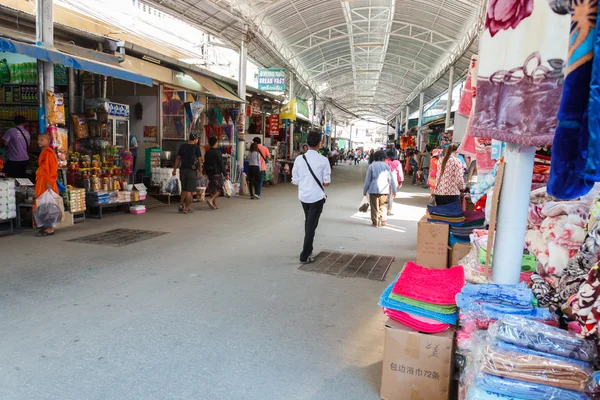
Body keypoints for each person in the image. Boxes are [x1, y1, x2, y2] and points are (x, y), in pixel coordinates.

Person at [292, 131, 331, 264]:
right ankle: (305, 254)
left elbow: (295, 180)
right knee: (311, 225)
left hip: (303, 196)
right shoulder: (324, 160)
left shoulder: (299, 159)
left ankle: (309, 250)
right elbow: (326, 182)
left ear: (307, 143)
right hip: (317, 197)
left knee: (308, 221)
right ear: (320, 143)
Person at [363, 150, 397, 227]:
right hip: (384, 190)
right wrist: (394, 191)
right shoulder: (387, 166)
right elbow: (391, 180)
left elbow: (368, 180)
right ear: (384, 158)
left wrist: (364, 190)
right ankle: (383, 220)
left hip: (373, 190)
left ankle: (375, 222)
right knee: (383, 205)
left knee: (374, 207)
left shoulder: (371, 166)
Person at [34, 133, 59, 237]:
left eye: (42, 139)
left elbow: (53, 168)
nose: (39, 141)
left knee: (48, 203)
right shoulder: (44, 152)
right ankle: (45, 225)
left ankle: (50, 228)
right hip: (42, 180)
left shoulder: (49, 152)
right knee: (42, 202)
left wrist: (50, 181)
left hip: (47, 181)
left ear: (48, 141)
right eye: (38, 139)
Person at [172, 132, 202, 214]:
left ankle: (181, 205)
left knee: (184, 189)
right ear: (195, 139)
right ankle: (186, 208)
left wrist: (175, 169)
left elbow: (178, 158)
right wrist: (200, 171)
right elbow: (200, 161)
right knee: (189, 191)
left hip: (182, 170)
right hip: (191, 171)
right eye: (197, 139)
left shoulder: (182, 146)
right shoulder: (196, 148)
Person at [204, 136, 228, 210]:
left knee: (212, 189)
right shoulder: (218, 152)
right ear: (215, 143)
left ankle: (213, 204)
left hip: (210, 173)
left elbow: (205, 164)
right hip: (216, 172)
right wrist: (225, 174)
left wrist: (207, 173)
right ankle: (211, 200)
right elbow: (221, 164)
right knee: (220, 189)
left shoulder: (207, 153)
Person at [386, 151, 404, 216]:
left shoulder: (386, 161)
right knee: (391, 196)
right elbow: (399, 173)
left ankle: (383, 209)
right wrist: (400, 181)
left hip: (385, 180)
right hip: (393, 180)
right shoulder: (397, 162)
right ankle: (388, 210)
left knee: (385, 195)